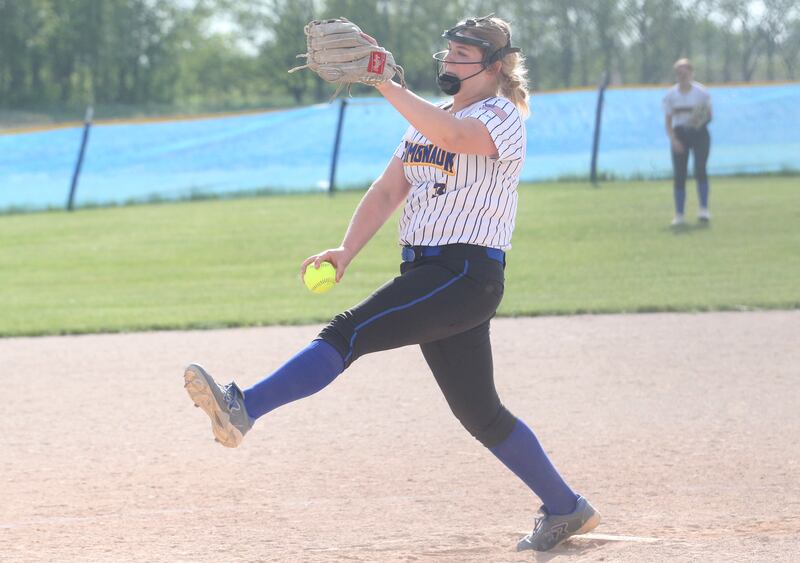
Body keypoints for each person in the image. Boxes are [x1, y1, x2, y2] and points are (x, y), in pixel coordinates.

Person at [183, 14, 600, 552]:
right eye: (447, 51)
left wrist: (384, 82)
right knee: (481, 413)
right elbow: (387, 190)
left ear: (494, 65)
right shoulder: (429, 118)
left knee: (348, 332)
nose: (448, 61)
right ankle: (567, 508)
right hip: (431, 275)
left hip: (464, 272)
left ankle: (244, 408)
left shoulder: (501, 115)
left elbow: (455, 137)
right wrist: (344, 251)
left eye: (462, 53)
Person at [663, 58, 713, 226]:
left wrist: (696, 120)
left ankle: (704, 210)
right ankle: (679, 214)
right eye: (679, 73)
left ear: (692, 73)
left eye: (685, 73)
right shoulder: (671, 95)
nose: (682, 76)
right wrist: (674, 140)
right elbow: (668, 122)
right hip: (680, 134)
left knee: (700, 169)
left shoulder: (701, 92)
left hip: (699, 133)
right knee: (679, 174)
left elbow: (709, 115)